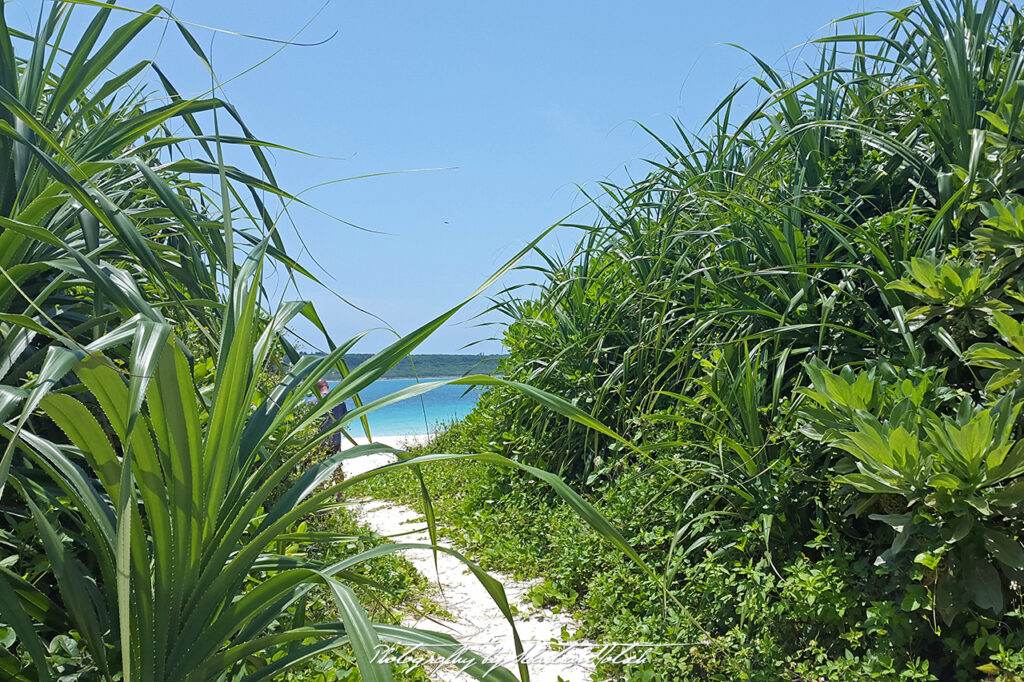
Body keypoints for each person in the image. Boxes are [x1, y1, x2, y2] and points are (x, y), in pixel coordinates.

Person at [316, 378, 348, 453]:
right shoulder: (340, 401)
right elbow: (344, 419)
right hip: (336, 440)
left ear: (316, 389)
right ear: (328, 385)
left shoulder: (313, 402)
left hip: (319, 442)